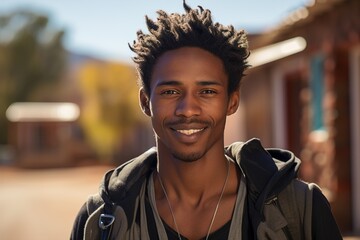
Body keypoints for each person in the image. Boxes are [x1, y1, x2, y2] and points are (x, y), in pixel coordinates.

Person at [70, 2, 342, 239]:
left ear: (232, 102)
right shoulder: (100, 222)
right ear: (145, 102)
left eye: (207, 91)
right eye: (170, 91)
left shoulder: (300, 210)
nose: (188, 109)